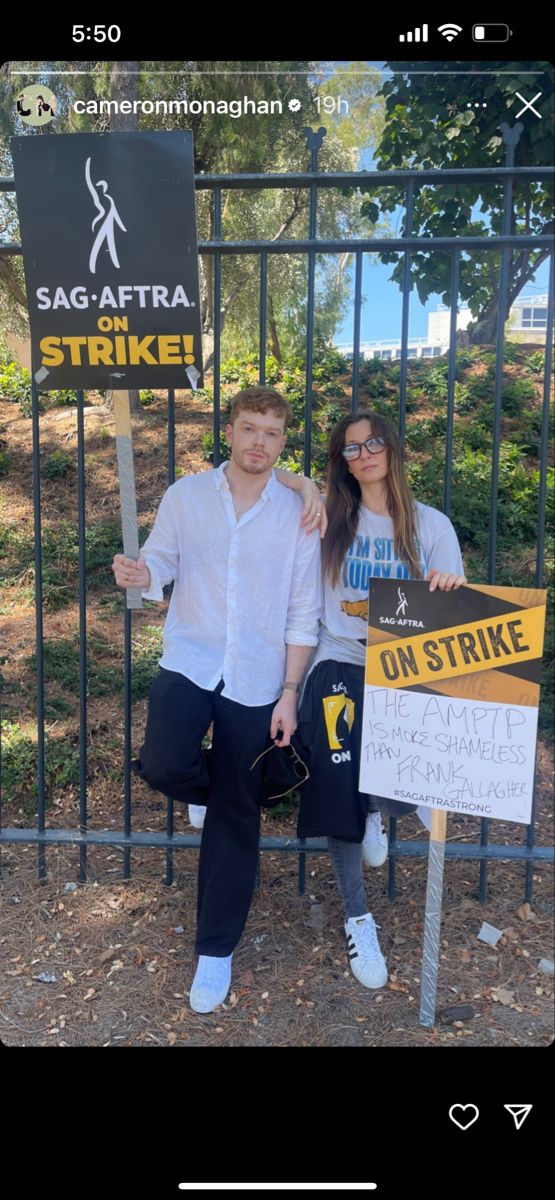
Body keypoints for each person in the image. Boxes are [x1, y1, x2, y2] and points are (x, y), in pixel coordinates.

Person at [112, 387, 323, 1013]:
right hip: (191, 657)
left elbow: (304, 611)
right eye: (250, 428)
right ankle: (229, 795)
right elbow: (161, 560)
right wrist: (143, 575)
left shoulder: (298, 512)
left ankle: (215, 948)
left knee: (234, 813)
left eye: (273, 433)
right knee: (165, 763)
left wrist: (289, 693)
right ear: (228, 431)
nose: (260, 442)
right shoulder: (186, 495)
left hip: (260, 678)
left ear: (284, 442)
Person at [292, 410, 466, 990]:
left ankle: (378, 807)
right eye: (350, 449)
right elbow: (269, 484)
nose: (363, 455)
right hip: (338, 657)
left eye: (373, 444)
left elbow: (454, 617)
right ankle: (357, 917)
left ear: (392, 447)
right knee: (340, 780)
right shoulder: (329, 521)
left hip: (403, 668)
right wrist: (301, 485)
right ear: (341, 462)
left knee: (387, 755)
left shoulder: (431, 526)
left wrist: (447, 589)